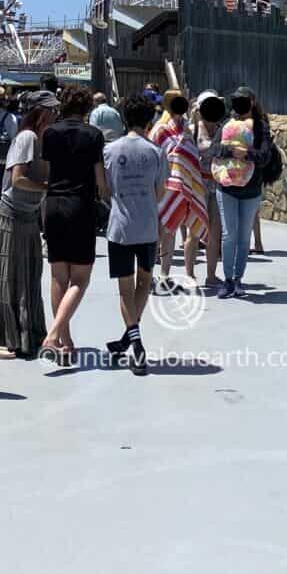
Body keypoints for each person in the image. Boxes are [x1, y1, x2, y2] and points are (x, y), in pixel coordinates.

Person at [0, 91, 58, 360]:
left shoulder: (43, 140)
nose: (55, 115)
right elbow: (18, 179)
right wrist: (47, 187)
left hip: (28, 217)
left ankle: (25, 333)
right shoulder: (27, 138)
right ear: (40, 113)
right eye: (51, 111)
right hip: (11, 216)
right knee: (4, 276)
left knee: (26, 276)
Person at [39, 85, 107, 361]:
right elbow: (100, 179)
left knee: (58, 276)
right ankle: (54, 334)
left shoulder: (50, 133)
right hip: (81, 205)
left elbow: (46, 173)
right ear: (87, 108)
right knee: (80, 279)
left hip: (53, 204)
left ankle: (65, 343)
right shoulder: (94, 135)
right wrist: (106, 196)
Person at [103, 93, 167, 376]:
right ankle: (130, 338)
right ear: (149, 120)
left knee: (124, 289)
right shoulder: (156, 151)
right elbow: (160, 192)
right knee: (144, 284)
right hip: (148, 227)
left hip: (120, 228)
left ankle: (134, 342)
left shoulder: (109, 150)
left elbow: (104, 190)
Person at [210, 86, 272, 298]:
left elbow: (265, 156)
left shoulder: (260, 127)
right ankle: (227, 280)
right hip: (226, 187)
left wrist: (246, 154)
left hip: (251, 189)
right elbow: (214, 149)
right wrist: (231, 151)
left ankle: (238, 279)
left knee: (244, 236)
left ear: (251, 102)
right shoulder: (227, 124)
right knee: (229, 235)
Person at [152, 93, 207, 289]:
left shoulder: (187, 129)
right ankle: (152, 274)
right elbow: (154, 155)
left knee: (171, 231)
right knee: (160, 232)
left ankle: (165, 275)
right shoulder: (160, 130)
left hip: (183, 188)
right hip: (163, 186)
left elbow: (192, 157)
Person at [191, 92, 226, 287]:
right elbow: (203, 148)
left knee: (215, 233)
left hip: (217, 185)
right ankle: (190, 274)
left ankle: (211, 276)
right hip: (198, 186)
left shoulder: (222, 128)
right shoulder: (193, 128)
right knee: (194, 232)